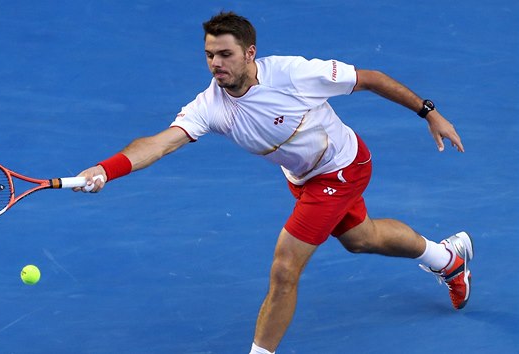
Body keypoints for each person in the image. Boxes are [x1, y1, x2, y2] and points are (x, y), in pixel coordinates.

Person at [74, 11, 473, 354]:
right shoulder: (209, 106)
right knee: (360, 239)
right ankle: (447, 260)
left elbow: (369, 78)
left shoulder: (294, 74)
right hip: (302, 176)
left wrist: (428, 112)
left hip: (342, 167)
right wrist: (106, 169)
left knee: (285, 267)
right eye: (210, 55)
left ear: (250, 53)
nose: (216, 63)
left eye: (225, 54)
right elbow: (159, 144)